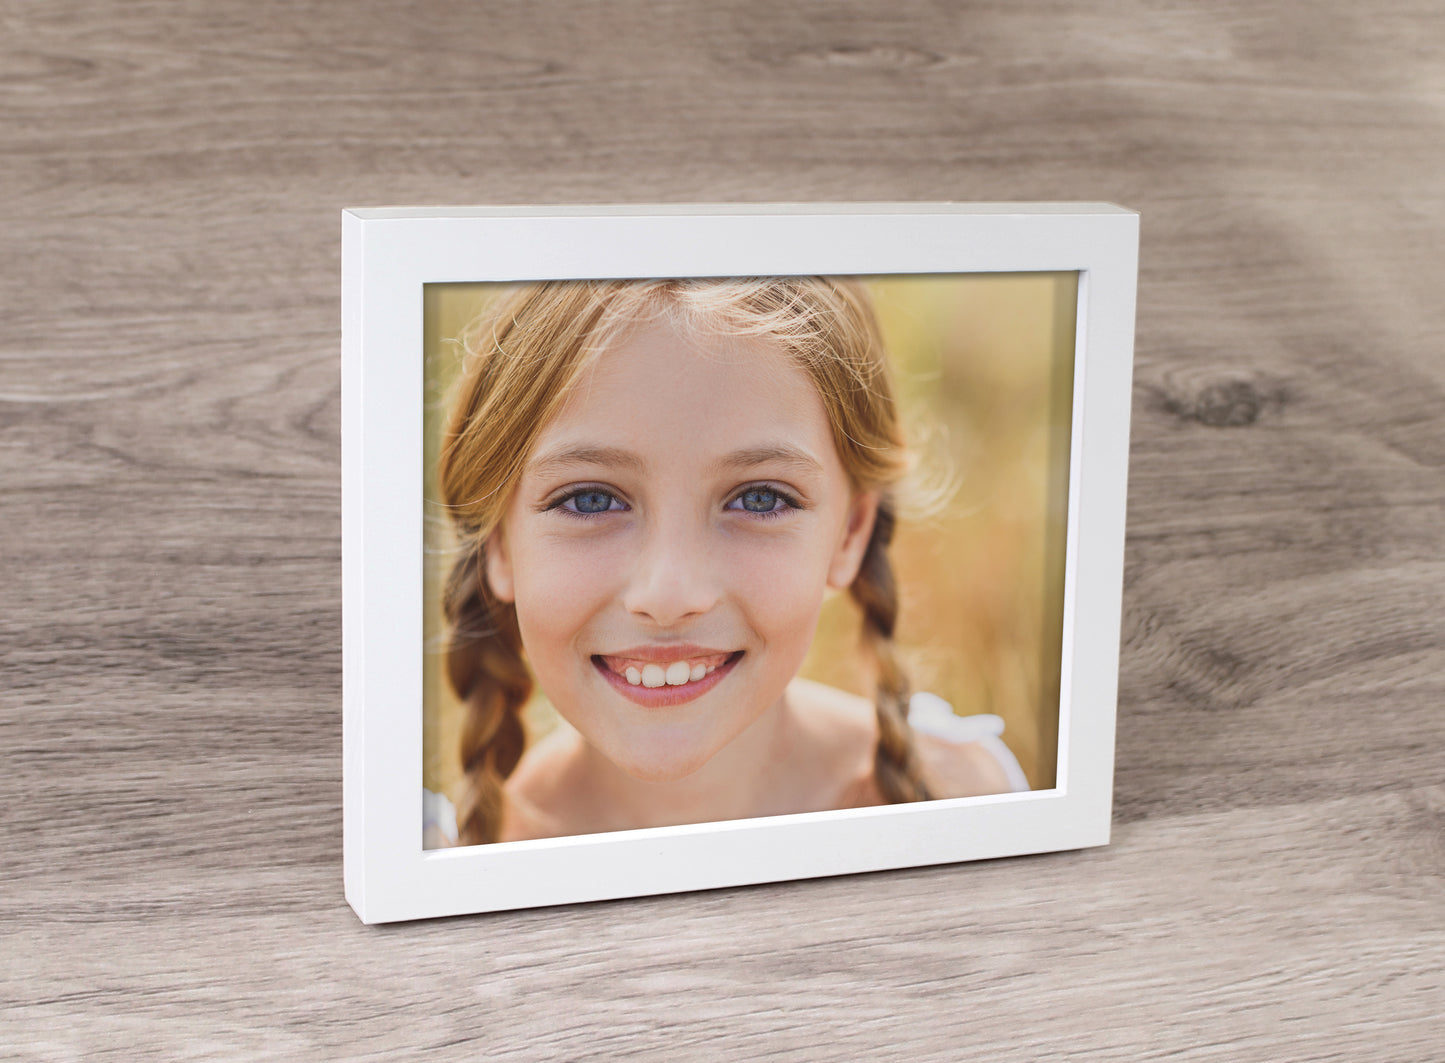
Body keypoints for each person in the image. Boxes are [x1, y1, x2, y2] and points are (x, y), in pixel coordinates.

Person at [425, 277, 1027, 849]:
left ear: (849, 533)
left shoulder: (963, 802)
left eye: (759, 498)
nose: (669, 593)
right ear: (498, 542)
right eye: (591, 499)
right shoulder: (461, 861)